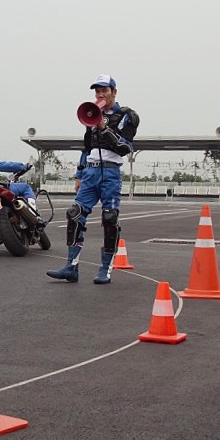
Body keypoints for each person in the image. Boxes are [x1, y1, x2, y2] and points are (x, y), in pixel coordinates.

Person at [46, 74, 139, 284]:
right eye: (97, 91)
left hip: (111, 172)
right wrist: (80, 173)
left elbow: (125, 147)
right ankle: (71, 267)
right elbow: (87, 148)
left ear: (114, 92)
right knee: (75, 214)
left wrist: (103, 128)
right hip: (90, 171)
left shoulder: (127, 115)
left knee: (109, 218)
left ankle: (105, 269)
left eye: (104, 90)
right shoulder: (91, 114)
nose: (100, 94)